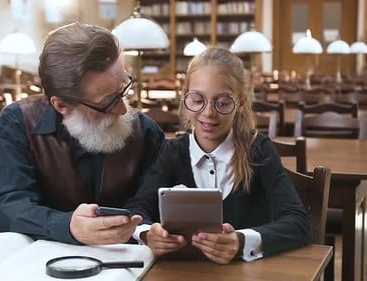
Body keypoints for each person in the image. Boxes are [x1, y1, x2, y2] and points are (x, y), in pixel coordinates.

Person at [124, 47, 311, 264]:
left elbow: (298, 222)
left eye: (222, 103)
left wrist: (240, 241)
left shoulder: (258, 149)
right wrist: (148, 234)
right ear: (185, 98)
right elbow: (136, 210)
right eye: (197, 100)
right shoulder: (170, 152)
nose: (208, 113)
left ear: (240, 102)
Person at [0, 22, 164, 245]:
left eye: (123, 88)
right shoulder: (18, 124)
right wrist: (66, 225)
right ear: (61, 105)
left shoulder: (146, 132)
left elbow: (150, 202)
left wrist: (142, 229)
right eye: (107, 101)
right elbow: (5, 206)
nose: (123, 109)